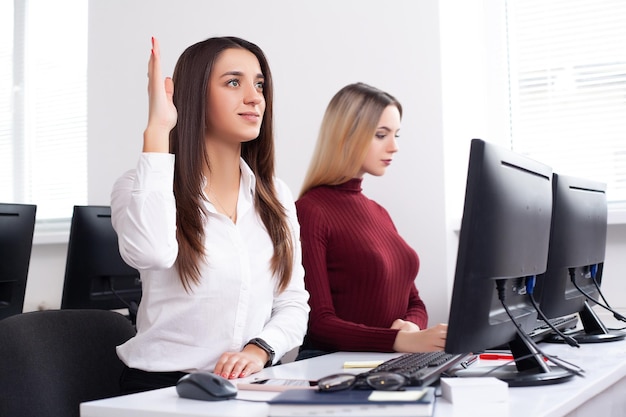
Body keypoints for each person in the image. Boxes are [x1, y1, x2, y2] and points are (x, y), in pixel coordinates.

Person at [110, 36, 309, 393]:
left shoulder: (275, 195)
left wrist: (259, 349)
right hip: (161, 390)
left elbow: (292, 302)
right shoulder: (139, 185)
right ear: (196, 95)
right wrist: (158, 129)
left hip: (246, 386)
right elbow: (151, 253)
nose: (254, 97)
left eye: (259, 84)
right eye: (234, 82)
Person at [295, 82, 447, 360]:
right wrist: (399, 340)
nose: (394, 146)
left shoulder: (378, 212)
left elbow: (413, 300)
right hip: (333, 365)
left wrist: (412, 327)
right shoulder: (310, 211)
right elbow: (319, 323)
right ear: (345, 136)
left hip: (384, 359)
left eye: (396, 134)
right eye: (381, 135)